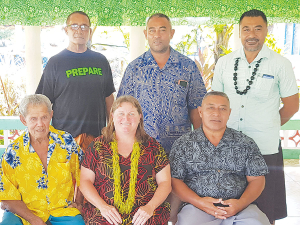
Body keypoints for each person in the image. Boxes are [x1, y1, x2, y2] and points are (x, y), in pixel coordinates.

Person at [212, 9, 299, 224]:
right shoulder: (224, 63)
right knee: (226, 206)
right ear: (239, 33)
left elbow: (292, 105)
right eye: (246, 29)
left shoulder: (280, 64)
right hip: (228, 146)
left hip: (264, 147)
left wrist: (269, 123)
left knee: (266, 208)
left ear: (266, 31)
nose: (252, 34)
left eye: (258, 29)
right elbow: (216, 103)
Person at [169, 91, 270, 225]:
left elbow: (257, 179)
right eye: (210, 107)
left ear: (229, 113)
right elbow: (175, 180)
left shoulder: (245, 143)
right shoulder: (183, 143)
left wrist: (240, 204)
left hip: (240, 208)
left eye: (222, 108)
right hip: (197, 208)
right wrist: (199, 202)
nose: (216, 113)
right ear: (200, 112)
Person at [117, 13, 207, 154]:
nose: (157, 35)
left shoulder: (187, 67)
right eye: (152, 30)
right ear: (146, 34)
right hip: (142, 147)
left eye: (162, 30)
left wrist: (200, 145)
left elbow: (197, 109)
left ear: (172, 33)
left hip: (179, 148)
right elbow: (122, 110)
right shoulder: (134, 68)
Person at [79, 95, 171, 225]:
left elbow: (165, 182)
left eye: (131, 114)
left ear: (140, 117)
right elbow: (85, 181)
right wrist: (103, 207)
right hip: (104, 212)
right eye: (121, 113)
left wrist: (150, 207)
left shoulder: (153, 147)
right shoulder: (97, 146)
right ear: (112, 116)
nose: (126, 119)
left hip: (145, 213)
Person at [36, 11, 115, 152]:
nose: (79, 30)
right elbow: (43, 105)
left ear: (90, 31)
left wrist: (113, 132)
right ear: (66, 30)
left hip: (97, 141)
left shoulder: (101, 61)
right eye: (74, 26)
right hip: (64, 142)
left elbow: (109, 100)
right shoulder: (55, 63)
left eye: (84, 27)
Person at [0, 94, 84, 225]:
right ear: (23, 120)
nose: (40, 124)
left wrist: (79, 203)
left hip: (61, 210)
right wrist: (34, 220)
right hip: (24, 212)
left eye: (44, 117)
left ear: (51, 115)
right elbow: (5, 195)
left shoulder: (66, 142)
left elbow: (83, 172)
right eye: (33, 119)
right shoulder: (13, 152)